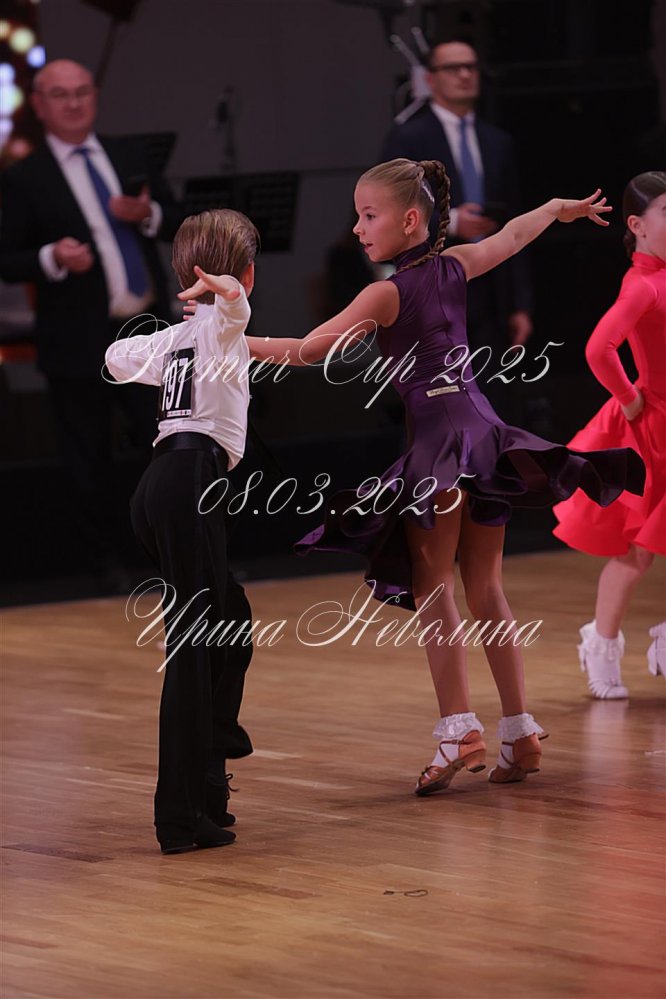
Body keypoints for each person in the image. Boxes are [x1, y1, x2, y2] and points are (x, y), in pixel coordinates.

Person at [179, 158, 645, 795]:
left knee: (433, 589)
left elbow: (311, 350)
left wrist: (229, 339)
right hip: (485, 435)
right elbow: (512, 236)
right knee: (487, 588)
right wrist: (558, 210)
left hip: (437, 447)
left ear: (409, 220)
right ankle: (519, 732)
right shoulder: (456, 266)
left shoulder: (386, 293)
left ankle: (460, 731)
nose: (357, 228)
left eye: (368, 215)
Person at [105, 208, 258, 854]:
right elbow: (234, 313)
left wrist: (180, 329)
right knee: (194, 649)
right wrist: (227, 301)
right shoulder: (221, 327)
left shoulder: (186, 337)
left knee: (231, 619)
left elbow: (116, 356)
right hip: (188, 482)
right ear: (246, 274)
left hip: (161, 488)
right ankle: (180, 815)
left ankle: (210, 772)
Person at [0, 59, 180, 587]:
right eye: (61, 94)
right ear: (39, 105)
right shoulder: (24, 177)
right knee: (89, 456)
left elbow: (177, 217)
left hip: (148, 330)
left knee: (171, 448)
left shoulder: (130, 154)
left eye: (82, 91)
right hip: (78, 337)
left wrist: (146, 215)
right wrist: (52, 257)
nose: (74, 103)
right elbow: (6, 257)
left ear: (95, 96)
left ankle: (182, 560)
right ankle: (105, 565)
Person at [553, 171, 666, 699]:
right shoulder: (641, 284)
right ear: (638, 225)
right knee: (636, 552)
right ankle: (600, 643)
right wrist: (628, 397)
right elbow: (599, 349)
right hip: (651, 430)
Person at [381, 40, 533, 364]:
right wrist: (451, 222)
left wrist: (520, 303)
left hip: (491, 282)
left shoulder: (497, 141)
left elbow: (516, 218)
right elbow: (390, 212)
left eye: (471, 67)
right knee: (442, 382)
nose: (464, 75)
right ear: (431, 79)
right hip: (435, 278)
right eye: (453, 68)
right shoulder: (407, 138)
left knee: (492, 383)